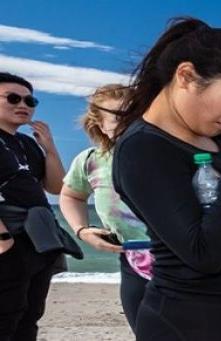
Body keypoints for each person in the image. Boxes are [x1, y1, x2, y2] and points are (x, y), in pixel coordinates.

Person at [110, 17, 221, 340]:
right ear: (187, 76)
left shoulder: (219, 139)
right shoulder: (143, 149)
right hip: (192, 324)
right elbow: (204, 254)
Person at [58, 84, 155, 333]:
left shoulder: (168, 152)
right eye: (119, 117)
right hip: (133, 258)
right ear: (100, 125)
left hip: (184, 258)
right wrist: (82, 230)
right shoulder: (91, 160)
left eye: (137, 113)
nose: (130, 122)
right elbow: (71, 195)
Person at [0, 70, 69, 340]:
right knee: (5, 315)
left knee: (30, 315)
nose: (23, 105)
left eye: (30, 101)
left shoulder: (27, 143)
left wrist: (49, 147)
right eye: (13, 98)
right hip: (8, 236)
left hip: (37, 240)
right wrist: (2, 236)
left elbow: (56, 187)